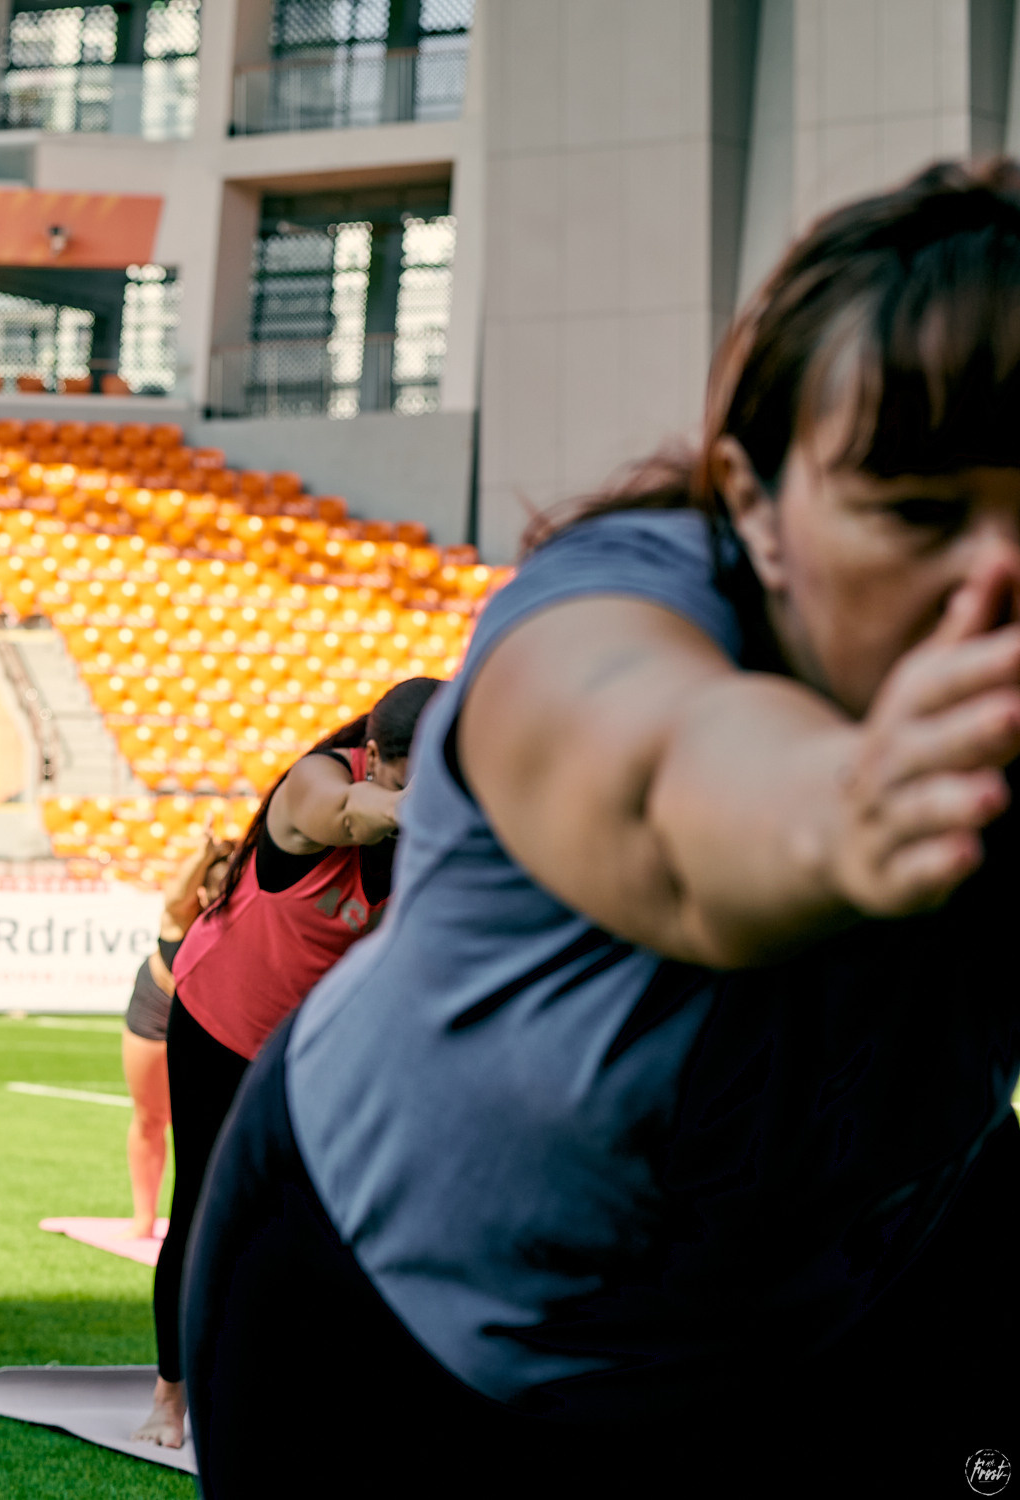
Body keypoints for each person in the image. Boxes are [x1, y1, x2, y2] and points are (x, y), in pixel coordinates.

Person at [181, 160, 1020, 1496]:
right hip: (389, 1331)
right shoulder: (605, 614)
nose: (996, 581)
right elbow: (674, 785)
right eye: (915, 512)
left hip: (813, 1302)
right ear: (754, 501)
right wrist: (852, 810)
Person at [134, 676, 440, 1448]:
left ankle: (301, 1378)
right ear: (373, 757)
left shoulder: (428, 829)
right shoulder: (319, 784)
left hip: (309, 1042)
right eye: (415, 776)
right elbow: (352, 814)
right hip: (218, 1016)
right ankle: (171, 1397)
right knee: (203, 1203)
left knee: (325, 1211)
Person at [120, 836, 231, 1242]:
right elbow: (176, 893)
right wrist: (205, 853)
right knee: (151, 1117)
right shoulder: (182, 915)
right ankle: (143, 1219)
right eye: (215, 887)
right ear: (203, 888)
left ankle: (201, 1220)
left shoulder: (247, 920)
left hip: (206, 1018)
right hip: (157, 1007)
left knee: (206, 1123)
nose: (222, 895)